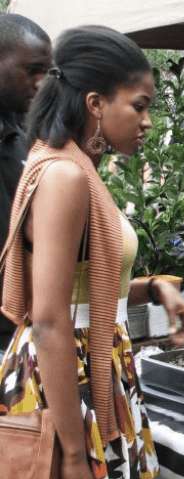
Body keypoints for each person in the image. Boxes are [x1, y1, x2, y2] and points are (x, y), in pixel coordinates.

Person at [0, 26, 184, 479]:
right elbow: (49, 319)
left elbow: (85, 284)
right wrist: (73, 453)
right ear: (95, 103)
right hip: (64, 384)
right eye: (138, 106)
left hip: (84, 372)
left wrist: (156, 287)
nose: (147, 122)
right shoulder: (66, 177)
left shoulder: (72, 167)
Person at [0, 14, 51, 350]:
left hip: (20, 331)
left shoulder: (24, 136)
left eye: (46, 72)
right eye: (32, 71)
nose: (41, 82)